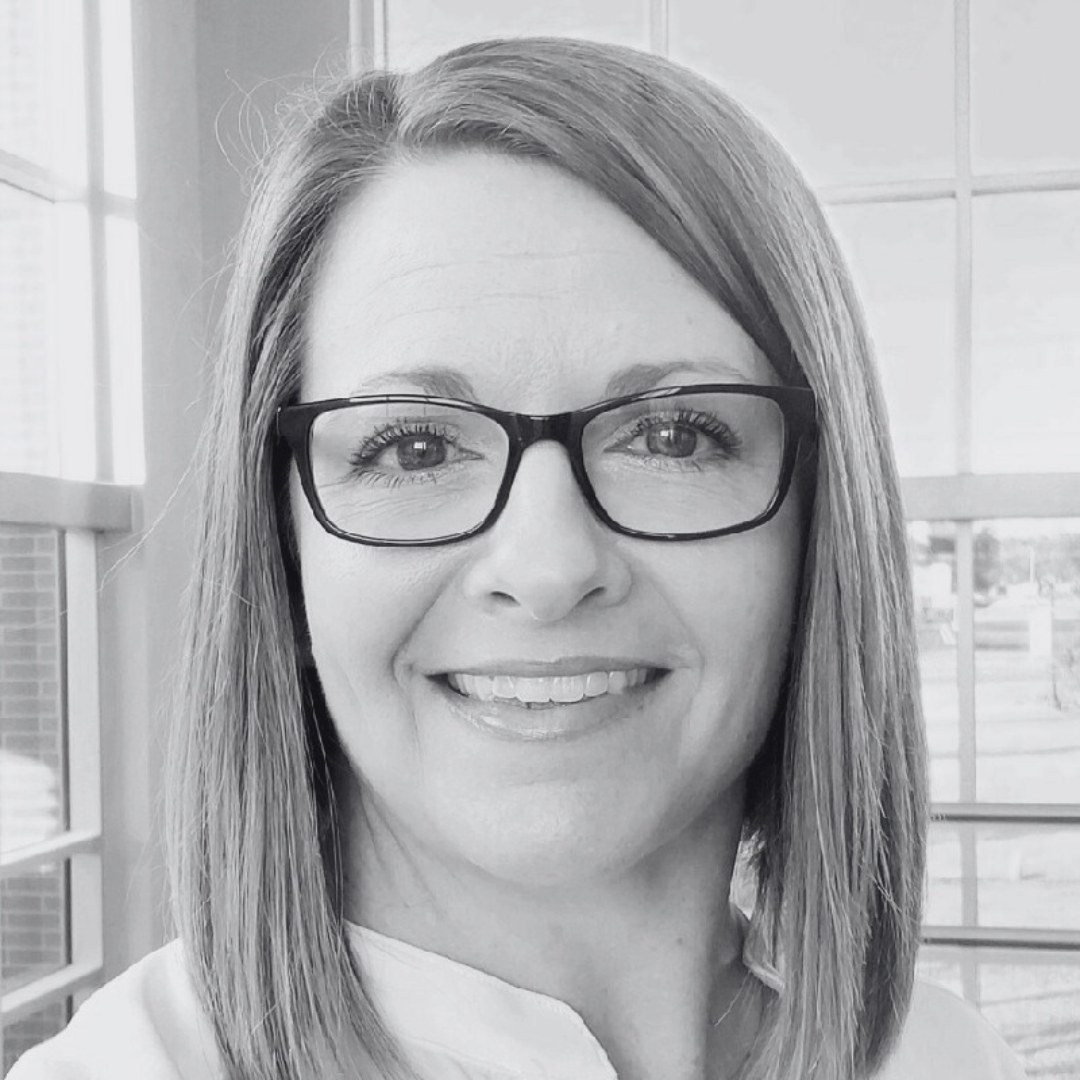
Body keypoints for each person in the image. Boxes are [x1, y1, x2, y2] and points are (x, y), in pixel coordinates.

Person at [10, 36, 1026, 1080]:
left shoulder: (951, 1060)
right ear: (284, 547)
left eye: (673, 436)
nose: (546, 568)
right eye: (413, 447)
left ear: (821, 526)